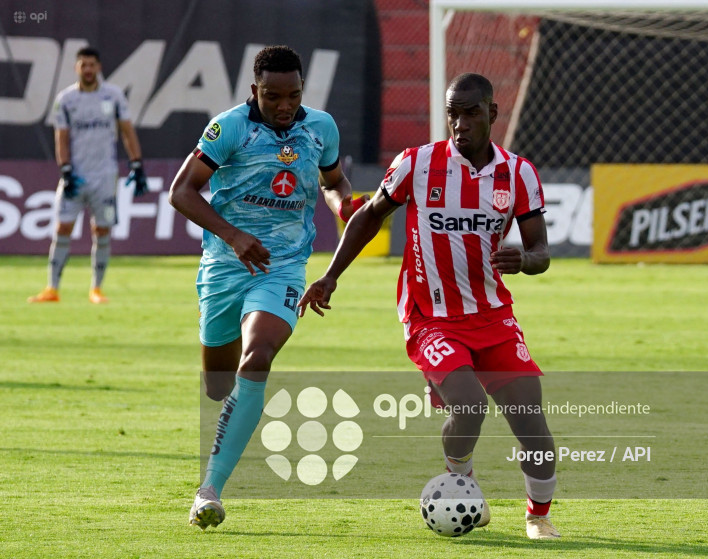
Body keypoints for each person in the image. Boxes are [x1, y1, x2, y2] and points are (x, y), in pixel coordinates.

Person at [299, 73, 560, 540]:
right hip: (430, 318)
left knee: (534, 432)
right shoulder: (417, 164)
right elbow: (368, 216)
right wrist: (330, 276)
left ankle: (537, 516)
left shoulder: (518, 173)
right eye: (452, 113)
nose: (459, 124)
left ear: (492, 114)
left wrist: (524, 258)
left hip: (494, 316)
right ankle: (461, 477)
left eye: (471, 113)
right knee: (470, 406)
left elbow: (541, 252)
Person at [169, 45, 366, 531]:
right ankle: (233, 420)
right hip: (223, 265)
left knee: (256, 359)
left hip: (282, 268)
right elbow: (182, 191)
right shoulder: (229, 127)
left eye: (293, 95)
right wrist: (234, 236)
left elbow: (334, 180)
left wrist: (344, 205)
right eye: (273, 96)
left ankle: (209, 489)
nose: (284, 106)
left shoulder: (321, 127)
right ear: (253, 91)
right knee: (219, 387)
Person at [28, 46, 148, 304]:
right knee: (62, 227)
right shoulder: (66, 99)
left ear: (99, 67)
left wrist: (136, 163)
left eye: (92, 64)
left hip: (105, 177)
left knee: (102, 230)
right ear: (77, 68)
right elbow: (61, 136)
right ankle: (52, 288)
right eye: (84, 65)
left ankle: (96, 289)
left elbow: (127, 131)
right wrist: (66, 169)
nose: (88, 69)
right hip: (76, 176)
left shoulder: (113, 96)